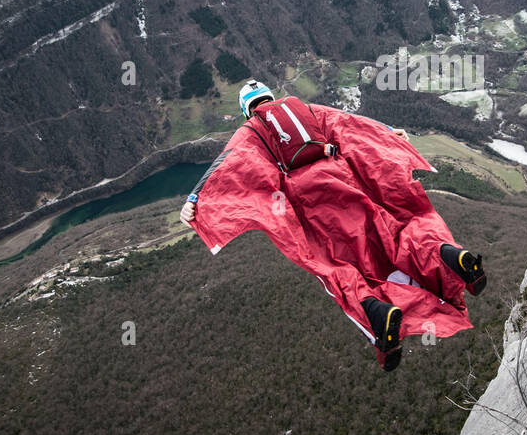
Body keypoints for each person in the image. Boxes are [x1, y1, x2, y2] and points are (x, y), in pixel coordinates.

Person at [180, 80, 486, 371]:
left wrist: (195, 200)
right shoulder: (307, 110)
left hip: (311, 205)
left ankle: (376, 312)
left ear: (247, 109)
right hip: (343, 179)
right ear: (271, 97)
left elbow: (228, 165)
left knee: (333, 266)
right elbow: (351, 124)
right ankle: (445, 255)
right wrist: (389, 131)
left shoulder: (252, 130)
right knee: (389, 233)